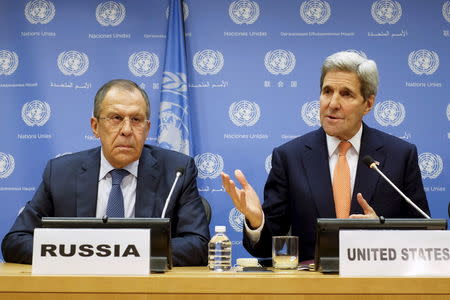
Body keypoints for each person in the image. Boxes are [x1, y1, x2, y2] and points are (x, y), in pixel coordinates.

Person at [221, 51, 430, 262]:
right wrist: (257, 221)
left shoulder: (400, 155)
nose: (332, 103)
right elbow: (266, 248)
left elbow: (426, 237)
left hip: (378, 287)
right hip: (311, 290)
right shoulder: (290, 157)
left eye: (346, 94)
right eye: (327, 91)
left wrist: (382, 233)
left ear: (368, 103)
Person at [2, 79, 210, 266]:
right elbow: (15, 242)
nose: (127, 130)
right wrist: (85, 253)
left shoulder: (177, 171)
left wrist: (126, 253)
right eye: (116, 118)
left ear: (147, 129)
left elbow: (198, 245)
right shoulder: (61, 173)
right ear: (95, 126)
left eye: (136, 120)